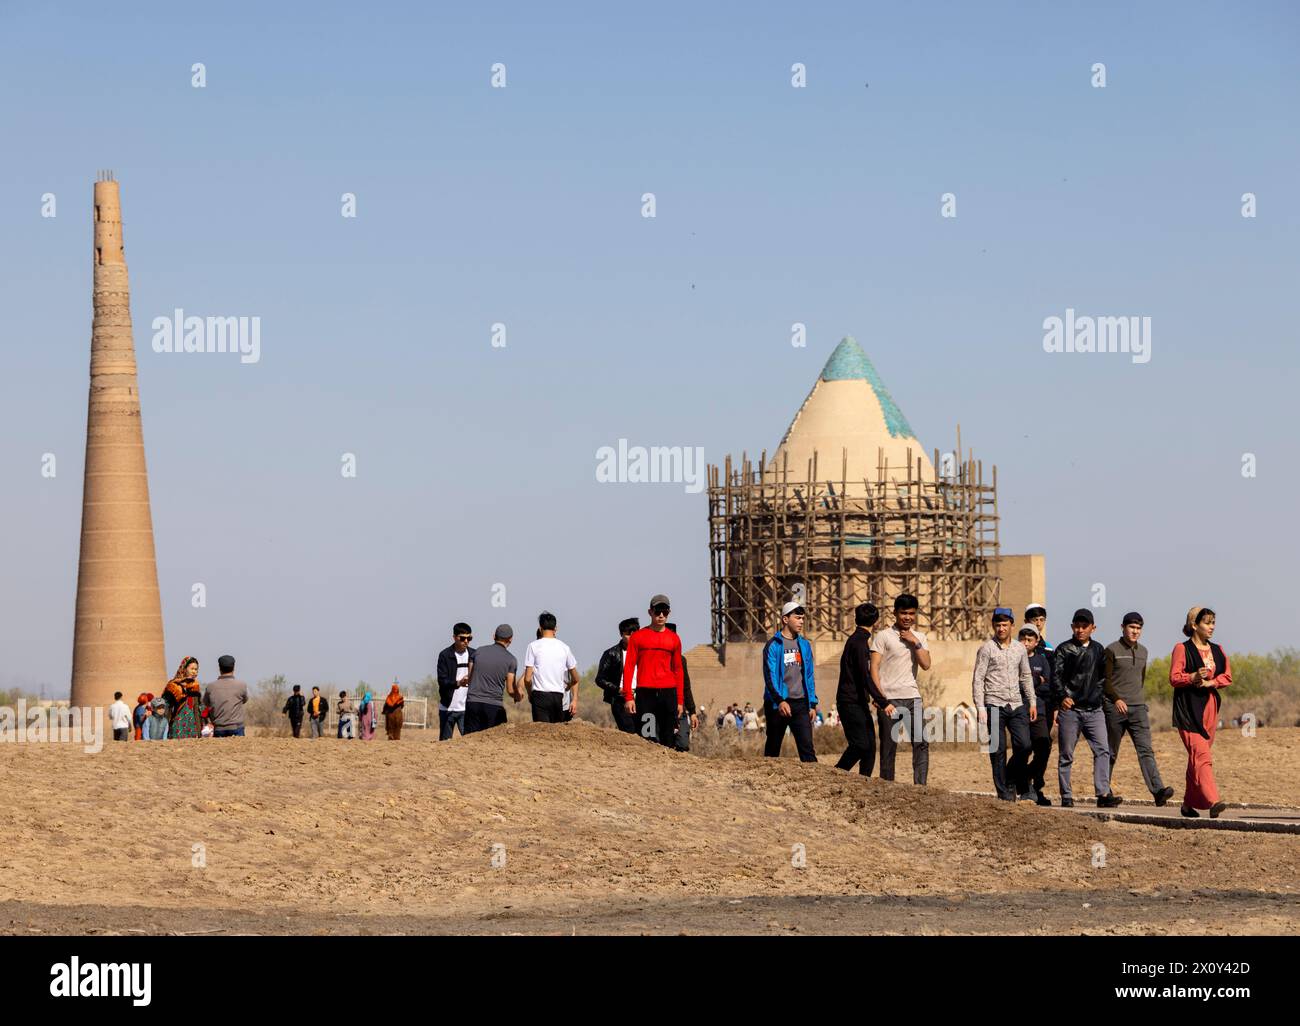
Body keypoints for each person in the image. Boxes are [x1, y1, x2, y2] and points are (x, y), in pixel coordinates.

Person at [1053, 609, 1122, 808]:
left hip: (1094, 710)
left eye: (1085, 626)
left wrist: (1097, 697)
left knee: (1103, 750)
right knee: (1066, 754)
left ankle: (1103, 794)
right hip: (1071, 711)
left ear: (1093, 628)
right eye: (1077, 626)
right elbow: (1056, 677)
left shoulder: (1099, 650)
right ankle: (1066, 795)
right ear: (1072, 627)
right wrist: (1062, 697)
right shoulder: (1063, 649)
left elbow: (1103, 678)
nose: (1080, 630)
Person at [1104, 612, 1175, 806]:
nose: (1135, 631)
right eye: (1131, 627)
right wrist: (1117, 699)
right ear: (1123, 627)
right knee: (1110, 752)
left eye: (1138, 628)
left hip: (1138, 708)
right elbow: (1105, 681)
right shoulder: (1111, 650)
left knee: (1146, 750)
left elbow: (1140, 679)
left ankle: (1158, 791)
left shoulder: (1144, 651)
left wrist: (1137, 700)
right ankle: (1104, 793)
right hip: (1114, 708)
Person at [1170, 607, 1231, 818]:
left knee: (1195, 758)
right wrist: (1193, 676)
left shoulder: (1218, 649)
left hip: (1210, 708)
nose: (1212, 627)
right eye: (1207, 622)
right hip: (1188, 709)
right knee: (1202, 755)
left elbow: (1227, 676)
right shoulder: (1182, 648)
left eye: (1213, 622)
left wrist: (1211, 682)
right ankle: (1213, 801)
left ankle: (1188, 804)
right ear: (1194, 625)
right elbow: (1174, 678)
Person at [972, 608, 1037, 801]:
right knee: (998, 749)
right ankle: (1004, 793)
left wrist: (1032, 701)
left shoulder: (1019, 649)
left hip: (1016, 704)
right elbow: (978, 679)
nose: (1001, 629)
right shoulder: (986, 649)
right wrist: (980, 707)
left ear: (1011, 626)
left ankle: (1010, 777)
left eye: (1004, 625)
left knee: (1024, 745)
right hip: (993, 704)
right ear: (993, 626)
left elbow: (1025, 676)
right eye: (997, 625)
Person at [872, 595, 931, 784]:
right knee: (889, 746)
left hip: (913, 698)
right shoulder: (883, 636)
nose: (907, 617)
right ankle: (887, 786)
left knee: (921, 742)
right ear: (895, 613)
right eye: (903, 613)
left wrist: (915, 642)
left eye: (911, 613)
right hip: (889, 699)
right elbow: (873, 668)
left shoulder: (920, 637)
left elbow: (926, 664)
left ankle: (920, 787)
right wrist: (881, 698)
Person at [835, 602, 889, 776]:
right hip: (850, 702)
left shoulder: (859, 641)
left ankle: (863, 782)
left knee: (870, 747)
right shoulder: (859, 643)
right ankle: (837, 774)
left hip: (857, 701)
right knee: (860, 745)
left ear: (856, 619)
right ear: (876, 621)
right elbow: (864, 676)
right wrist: (882, 701)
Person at [623, 596, 684, 746]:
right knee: (646, 736)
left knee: (668, 738)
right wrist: (628, 697)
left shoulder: (674, 639)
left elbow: (678, 670)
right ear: (650, 612)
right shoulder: (638, 637)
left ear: (669, 612)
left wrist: (680, 701)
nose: (661, 615)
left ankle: (667, 767)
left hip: (668, 693)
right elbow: (629, 667)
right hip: (646, 694)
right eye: (658, 611)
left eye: (665, 611)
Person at [761, 600, 818, 762]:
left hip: (800, 703)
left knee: (807, 749)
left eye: (802, 618)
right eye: (797, 618)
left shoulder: (804, 645)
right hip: (777, 704)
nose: (801, 622)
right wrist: (779, 700)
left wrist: (812, 703)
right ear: (785, 619)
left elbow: (809, 675)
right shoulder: (773, 645)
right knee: (773, 748)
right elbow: (769, 676)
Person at [1019, 624, 1055, 805]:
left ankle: (1025, 776)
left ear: (1037, 641)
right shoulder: (1014, 659)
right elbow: (1015, 686)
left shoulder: (1042, 660)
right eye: (1023, 639)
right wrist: (1035, 680)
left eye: (1029, 640)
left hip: (1039, 710)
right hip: (1020, 710)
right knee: (1024, 748)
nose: (1026, 643)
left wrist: (1030, 684)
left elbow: (1047, 686)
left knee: (1044, 746)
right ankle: (1026, 789)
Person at [523, 613, 580, 723]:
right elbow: (576, 678)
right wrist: (569, 686)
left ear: (540, 628)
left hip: (539, 695)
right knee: (555, 733)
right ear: (556, 628)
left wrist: (530, 694)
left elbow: (527, 678)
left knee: (541, 733)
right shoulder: (564, 647)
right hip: (558, 696)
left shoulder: (533, 646)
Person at [464, 624, 520, 734]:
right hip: (493, 706)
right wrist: (518, 695)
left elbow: (469, 678)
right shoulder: (511, 660)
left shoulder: (478, 652)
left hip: (473, 703)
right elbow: (510, 690)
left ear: (494, 636)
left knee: (470, 740)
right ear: (510, 639)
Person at [595, 618, 640, 733]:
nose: (632, 636)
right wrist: (618, 690)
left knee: (644, 733)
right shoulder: (611, 653)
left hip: (642, 698)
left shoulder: (644, 653)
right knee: (629, 732)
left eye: (635, 633)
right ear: (621, 634)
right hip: (621, 699)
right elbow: (600, 679)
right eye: (628, 634)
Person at [436, 623, 475, 741]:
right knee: (444, 744)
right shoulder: (445, 655)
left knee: (470, 742)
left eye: (469, 638)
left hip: (467, 709)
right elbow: (442, 680)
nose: (466, 641)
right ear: (454, 637)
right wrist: (458, 683)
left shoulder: (474, 654)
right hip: (447, 708)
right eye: (462, 638)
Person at [667, 623, 698, 751]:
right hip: (661, 707)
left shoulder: (681, 660)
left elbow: (686, 687)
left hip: (680, 708)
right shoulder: (652, 659)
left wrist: (693, 712)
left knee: (683, 743)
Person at [202, 654, 249, 738]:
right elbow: (245, 700)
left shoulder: (210, 687)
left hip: (218, 728)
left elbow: (206, 703)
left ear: (219, 668)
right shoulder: (241, 685)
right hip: (237, 727)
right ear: (233, 668)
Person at [163, 656, 203, 739]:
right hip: (177, 727)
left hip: (193, 728)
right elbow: (166, 709)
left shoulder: (195, 686)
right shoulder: (173, 686)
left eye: (196, 669)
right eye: (192, 669)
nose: (194, 672)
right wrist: (164, 729)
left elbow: (197, 708)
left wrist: (199, 730)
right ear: (184, 669)